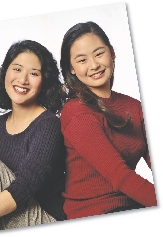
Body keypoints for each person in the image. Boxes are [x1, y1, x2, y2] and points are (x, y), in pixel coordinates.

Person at [59, 21, 157, 220]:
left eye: (99, 54)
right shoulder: (76, 112)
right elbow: (120, 176)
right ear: (71, 68)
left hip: (131, 205)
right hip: (94, 213)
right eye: (82, 60)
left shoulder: (134, 106)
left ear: (112, 53)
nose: (94, 65)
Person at [0, 39, 66, 232]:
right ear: (5, 71)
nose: (23, 80)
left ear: (44, 81)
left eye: (33, 73)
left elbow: (25, 187)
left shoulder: (48, 124)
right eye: (17, 69)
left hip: (47, 222)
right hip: (5, 224)